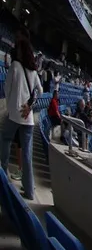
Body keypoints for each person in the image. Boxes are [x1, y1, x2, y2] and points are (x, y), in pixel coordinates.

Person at [0, 34, 42, 200]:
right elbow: (40, 90)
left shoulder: (15, 66)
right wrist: (30, 105)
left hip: (15, 115)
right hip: (28, 117)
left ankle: (3, 174)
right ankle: (29, 191)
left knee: (5, 139)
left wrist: (13, 106)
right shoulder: (33, 71)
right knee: (27, 153)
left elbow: (6, 87)